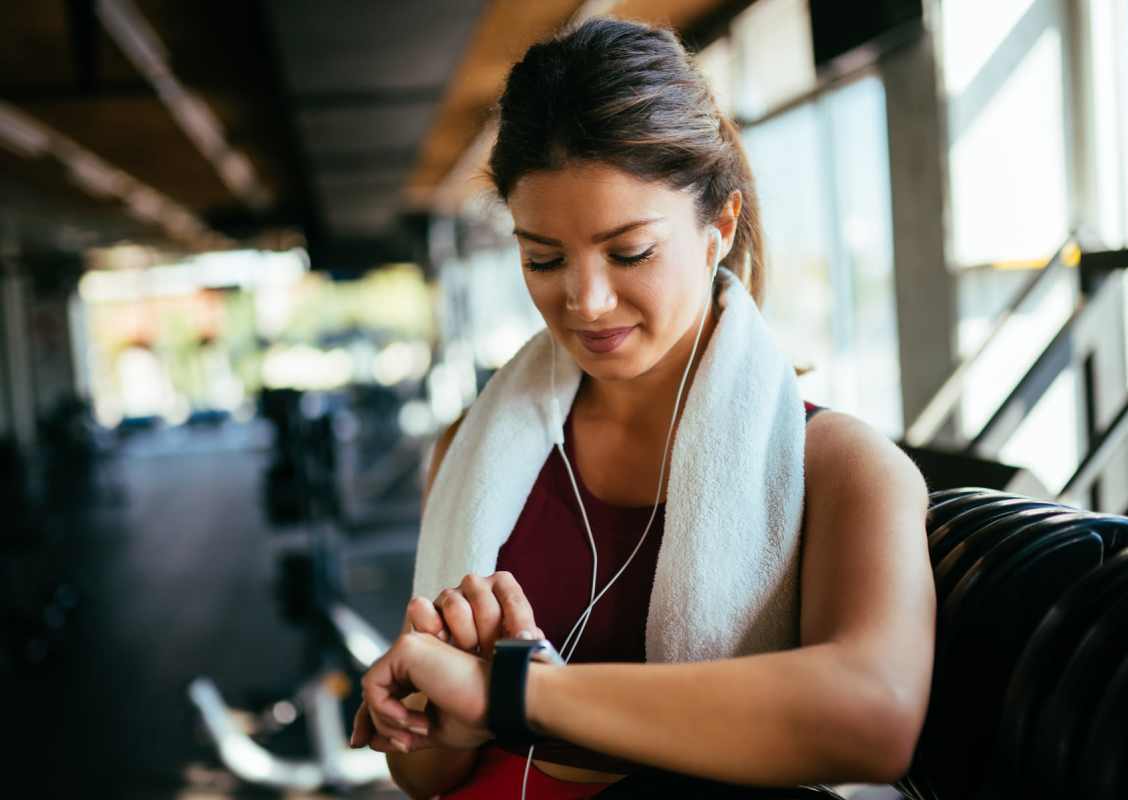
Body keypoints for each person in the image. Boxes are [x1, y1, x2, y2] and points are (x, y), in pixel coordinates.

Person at [348, 17, 934, 799]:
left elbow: (874, 721)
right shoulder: (471, 448)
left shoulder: (839, 466)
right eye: (543, 258)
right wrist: (425, 716)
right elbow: (424, 776)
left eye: (630, 253)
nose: (585, 302)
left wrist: (516, 696)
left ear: (718, 227)